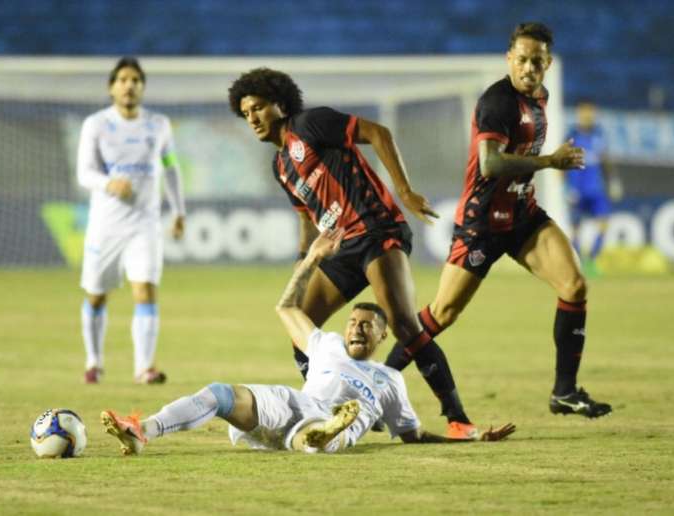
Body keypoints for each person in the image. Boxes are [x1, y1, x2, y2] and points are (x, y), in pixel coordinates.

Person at [101, 229, 516, 454]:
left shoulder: (390, 381)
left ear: (383, 335)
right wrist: (311, 261)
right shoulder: (327, 344)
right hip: (292, 404)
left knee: (319, 432)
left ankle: (321, 435)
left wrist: (469, 438)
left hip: (331, 423)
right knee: (219, 394)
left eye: (367, 324)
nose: (355, 327)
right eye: (353, 320)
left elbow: (413, 437)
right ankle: (143, 431)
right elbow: (285, 308)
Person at [227, 68, 477, 439]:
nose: (253, 119)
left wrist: (405, 191)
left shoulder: (311, 123)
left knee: (404, 324)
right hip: (341, 250)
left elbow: (378, 133)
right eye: (246, 113)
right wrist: (305, 261)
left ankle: (457, 417)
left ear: (280, 104)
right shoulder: (281, 166)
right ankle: (339, 404)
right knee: (302, 327)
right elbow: (306, 219)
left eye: (259, 108)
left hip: (376, 229)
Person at [414, 23, 612, 418]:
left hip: (522, 215)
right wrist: (548, 162)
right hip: (483, 223)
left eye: (536, 61)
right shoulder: (497, 102)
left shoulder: (541, 97)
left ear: (547, 64)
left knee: (574, 286)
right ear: (509, 59)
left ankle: (565, 392)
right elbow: (489, 164)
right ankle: (376, 377)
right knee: (442, 314)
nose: (528, 68)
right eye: (521, 60)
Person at [77, 57, 186, 384]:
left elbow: (170, 167)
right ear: (112, 87)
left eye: (136, 80)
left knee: (146, 292)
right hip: (106, 226)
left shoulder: (158, 125)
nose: (129, 85)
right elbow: (84, 173)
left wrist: (179, 210)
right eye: (123, 79)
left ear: (142, 87)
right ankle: (93, 361)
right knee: (96, 294)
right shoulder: (95, 124)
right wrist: (109, 183)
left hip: (145, 225)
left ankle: (144, 368)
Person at [564, 101, 623, 275]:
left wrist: (613, 181)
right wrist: (565, 188)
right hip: (577, 191)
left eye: (590, 113)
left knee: (604, 224)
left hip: (596, 190)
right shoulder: (571, 136)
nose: (588, 116)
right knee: (576, 228)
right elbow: (562, 163)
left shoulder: (599, 135)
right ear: (579, 115)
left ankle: (592, 259)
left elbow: (605, 160)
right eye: (584, 113)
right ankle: (579, 263)